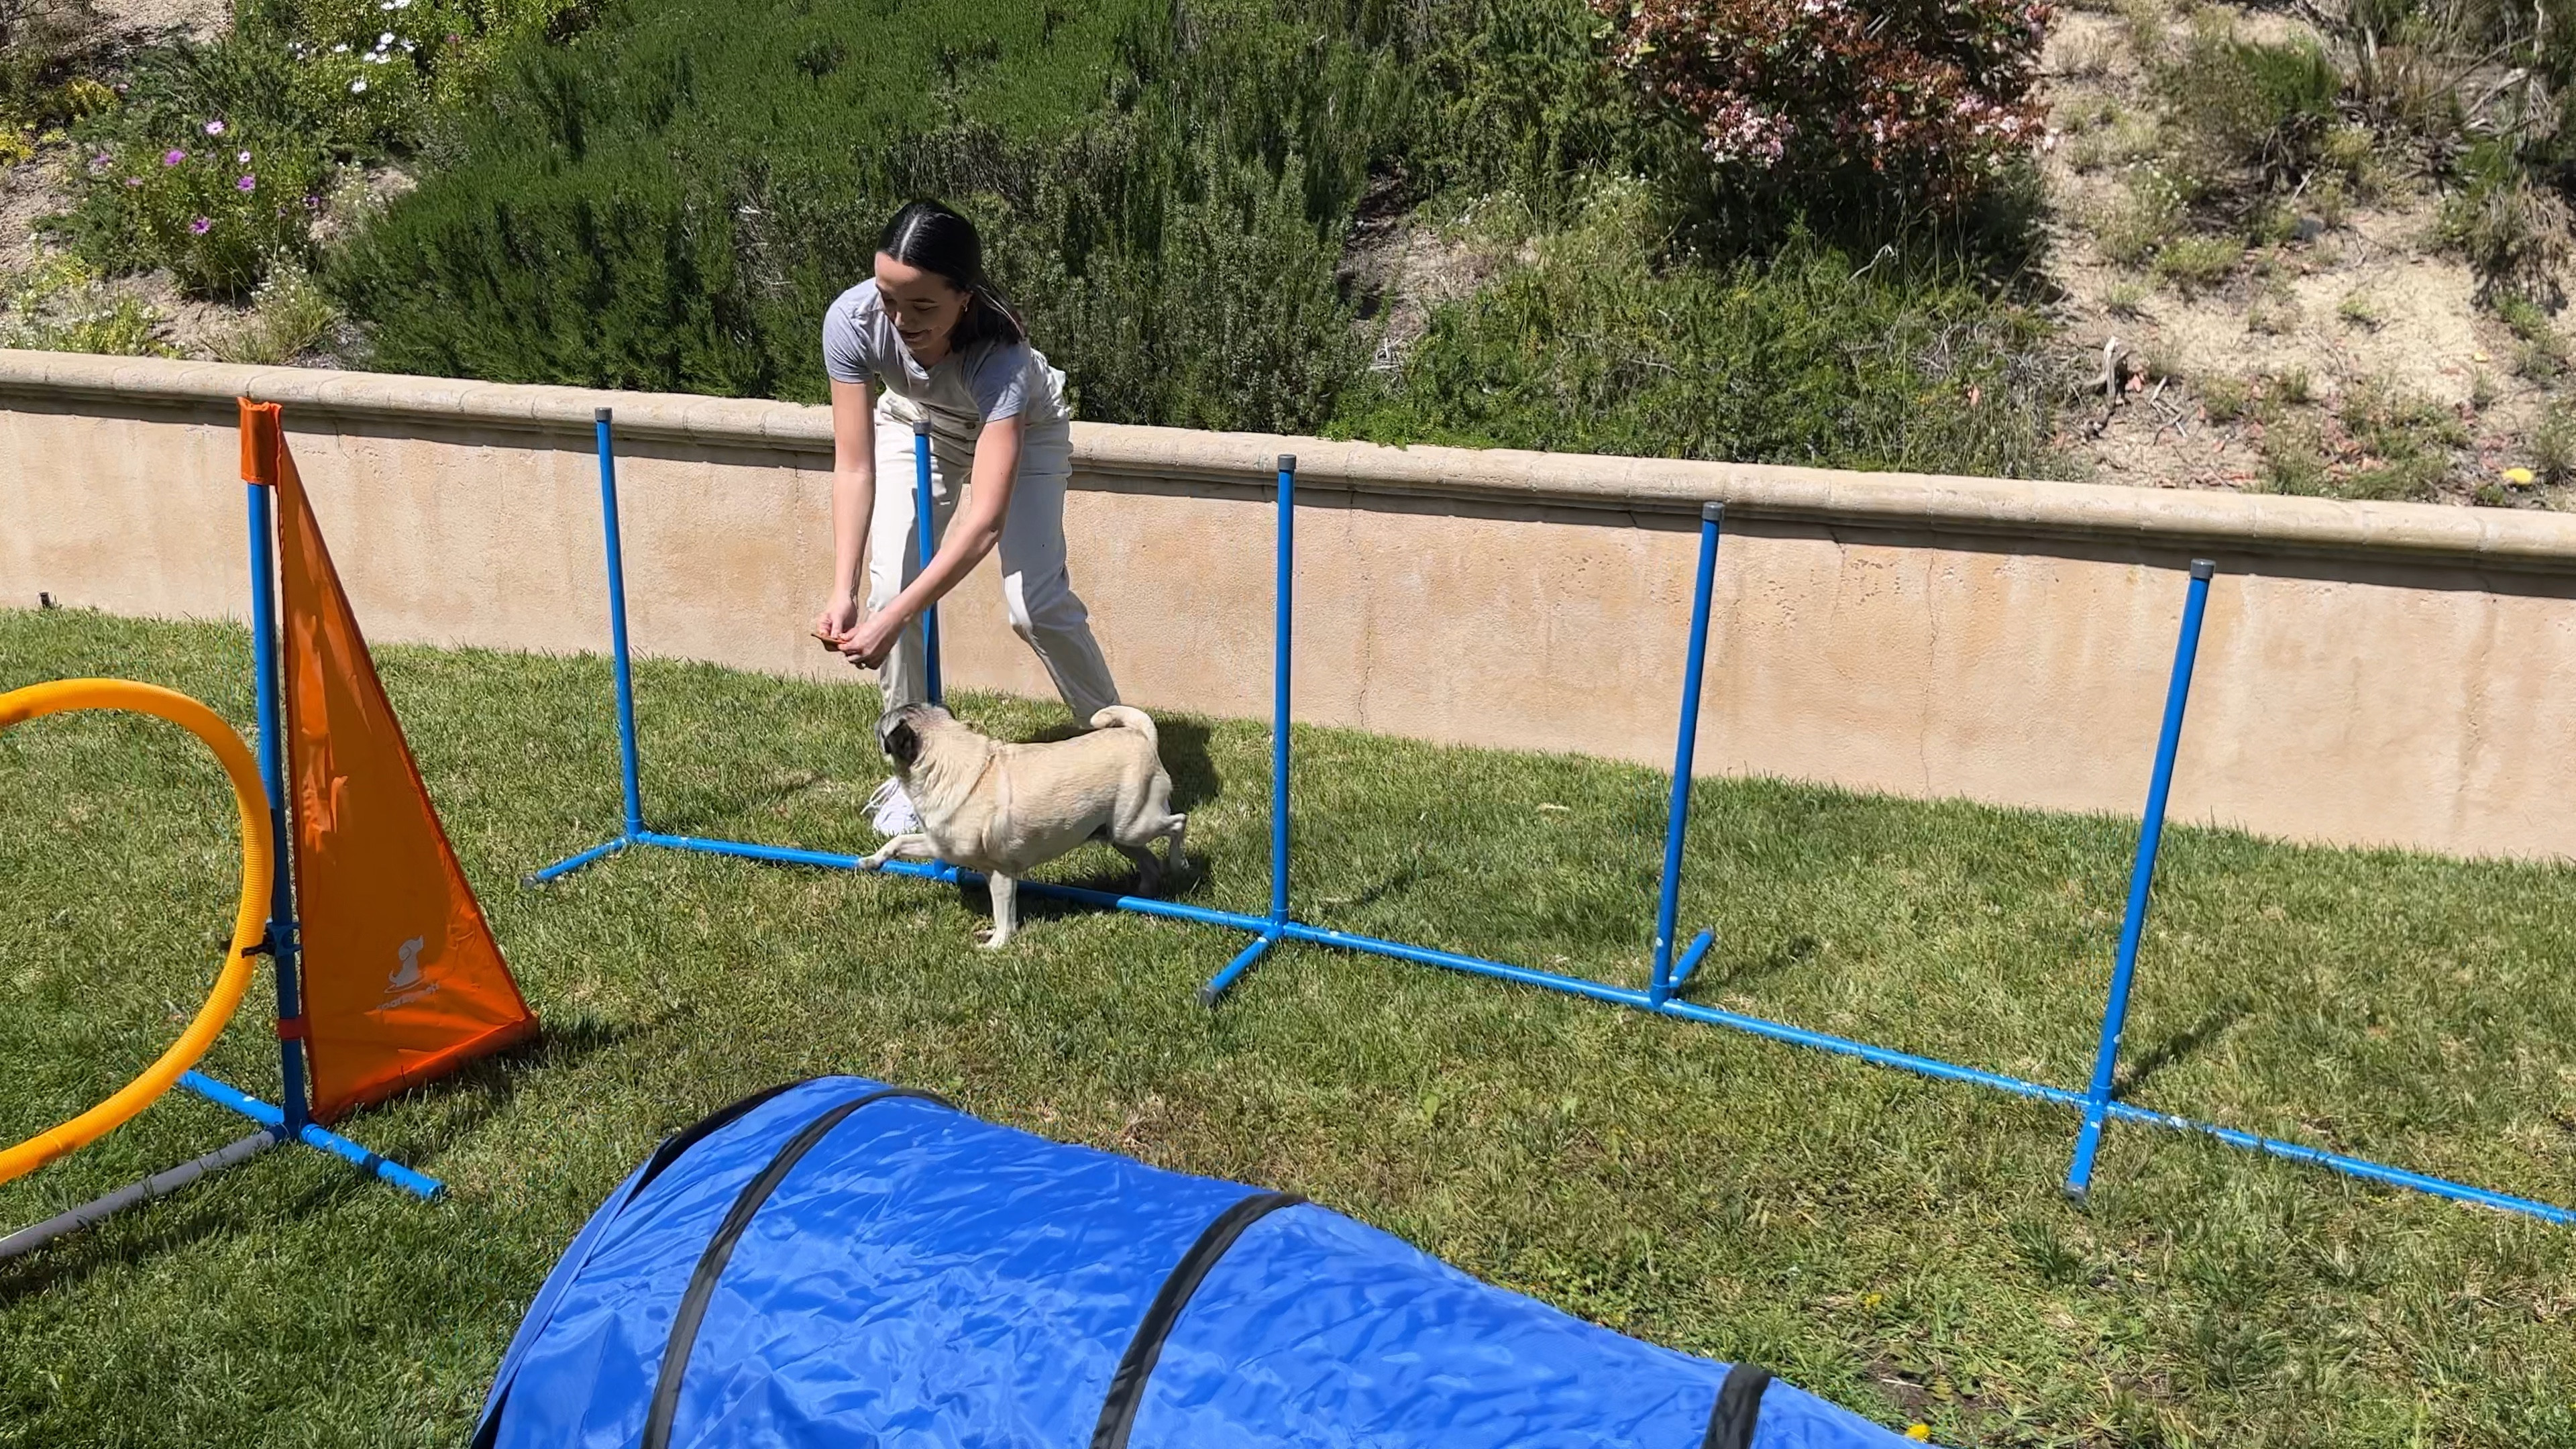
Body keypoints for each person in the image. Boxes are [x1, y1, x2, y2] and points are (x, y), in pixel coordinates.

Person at [812, 200, 1122, 836]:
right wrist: (846, 592)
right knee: (889, 590)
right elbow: (854, 466)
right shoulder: (850, 319)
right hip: (916, 422)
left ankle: (1120, 752)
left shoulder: (1001, 351)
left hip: (1024, 429)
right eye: (889, 299)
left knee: (1033, 605)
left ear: (964, 298)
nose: (900, 321)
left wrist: (892, 622)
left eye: (923, 306)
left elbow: (985, 523)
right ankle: (915, 774)